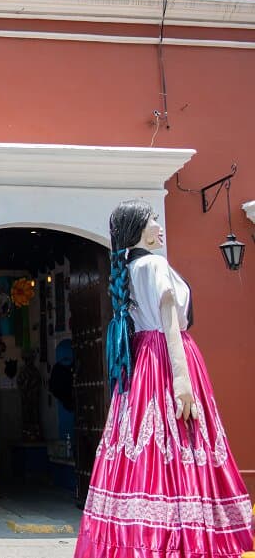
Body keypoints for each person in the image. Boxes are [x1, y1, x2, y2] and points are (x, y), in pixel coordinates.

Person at [74, 199, 253, 557]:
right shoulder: (155, 264)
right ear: (138, 228)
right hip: (169, 358)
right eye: (153, 220)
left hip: (142, 363)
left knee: (143, 446)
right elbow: (170, 323)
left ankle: (138, 532)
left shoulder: (128, 268)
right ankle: (185, 534)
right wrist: (182, 381)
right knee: (180, 442)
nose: (158, 225)